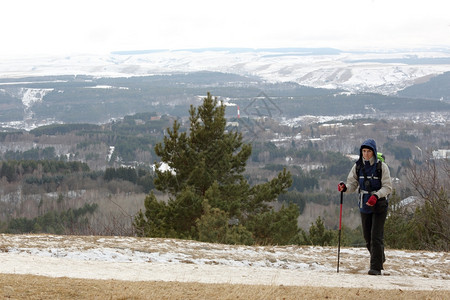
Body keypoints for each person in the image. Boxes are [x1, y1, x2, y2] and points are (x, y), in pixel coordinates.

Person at [338, 139, 392, 275]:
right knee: (367, 237)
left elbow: (388, 187)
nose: (366, 154)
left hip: (379, 205)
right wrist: (345, 188)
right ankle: (380, 257)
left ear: (373, 151)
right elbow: (352, 184)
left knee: (376, 236)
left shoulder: (381, 167)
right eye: (364, 151)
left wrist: (376, 196)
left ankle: (376, 268)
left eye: (368, 151)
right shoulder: (358, 166)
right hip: (364, 205)